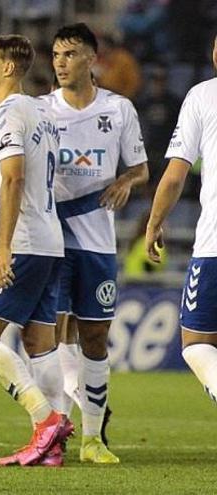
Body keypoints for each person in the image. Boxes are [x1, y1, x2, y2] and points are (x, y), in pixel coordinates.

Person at [42, 23, 149, 463]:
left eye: (69, 54)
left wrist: (126, 179)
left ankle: (92, 438)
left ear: (92, 58)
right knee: (51, 335)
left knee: (95, 336)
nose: (60, 63)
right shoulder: (40, 109)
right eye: (56, 55)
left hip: (97, 242)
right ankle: (53, 433)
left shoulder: (118, 109)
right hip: (50, 240)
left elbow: (142, 169)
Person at [0, 34, 72, 467]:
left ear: (8, 67)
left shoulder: (12, 112)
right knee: (38, 341)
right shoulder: (39, 111)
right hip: (50, 241)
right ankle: (54, 444)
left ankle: (45, 419)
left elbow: (12, 178)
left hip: (23, 241)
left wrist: (2, 247)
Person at [146, 35, 217, 407]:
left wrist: (154, 221)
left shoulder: (203, 95)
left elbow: (175, 175)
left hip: (214, 247)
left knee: (197, 346)